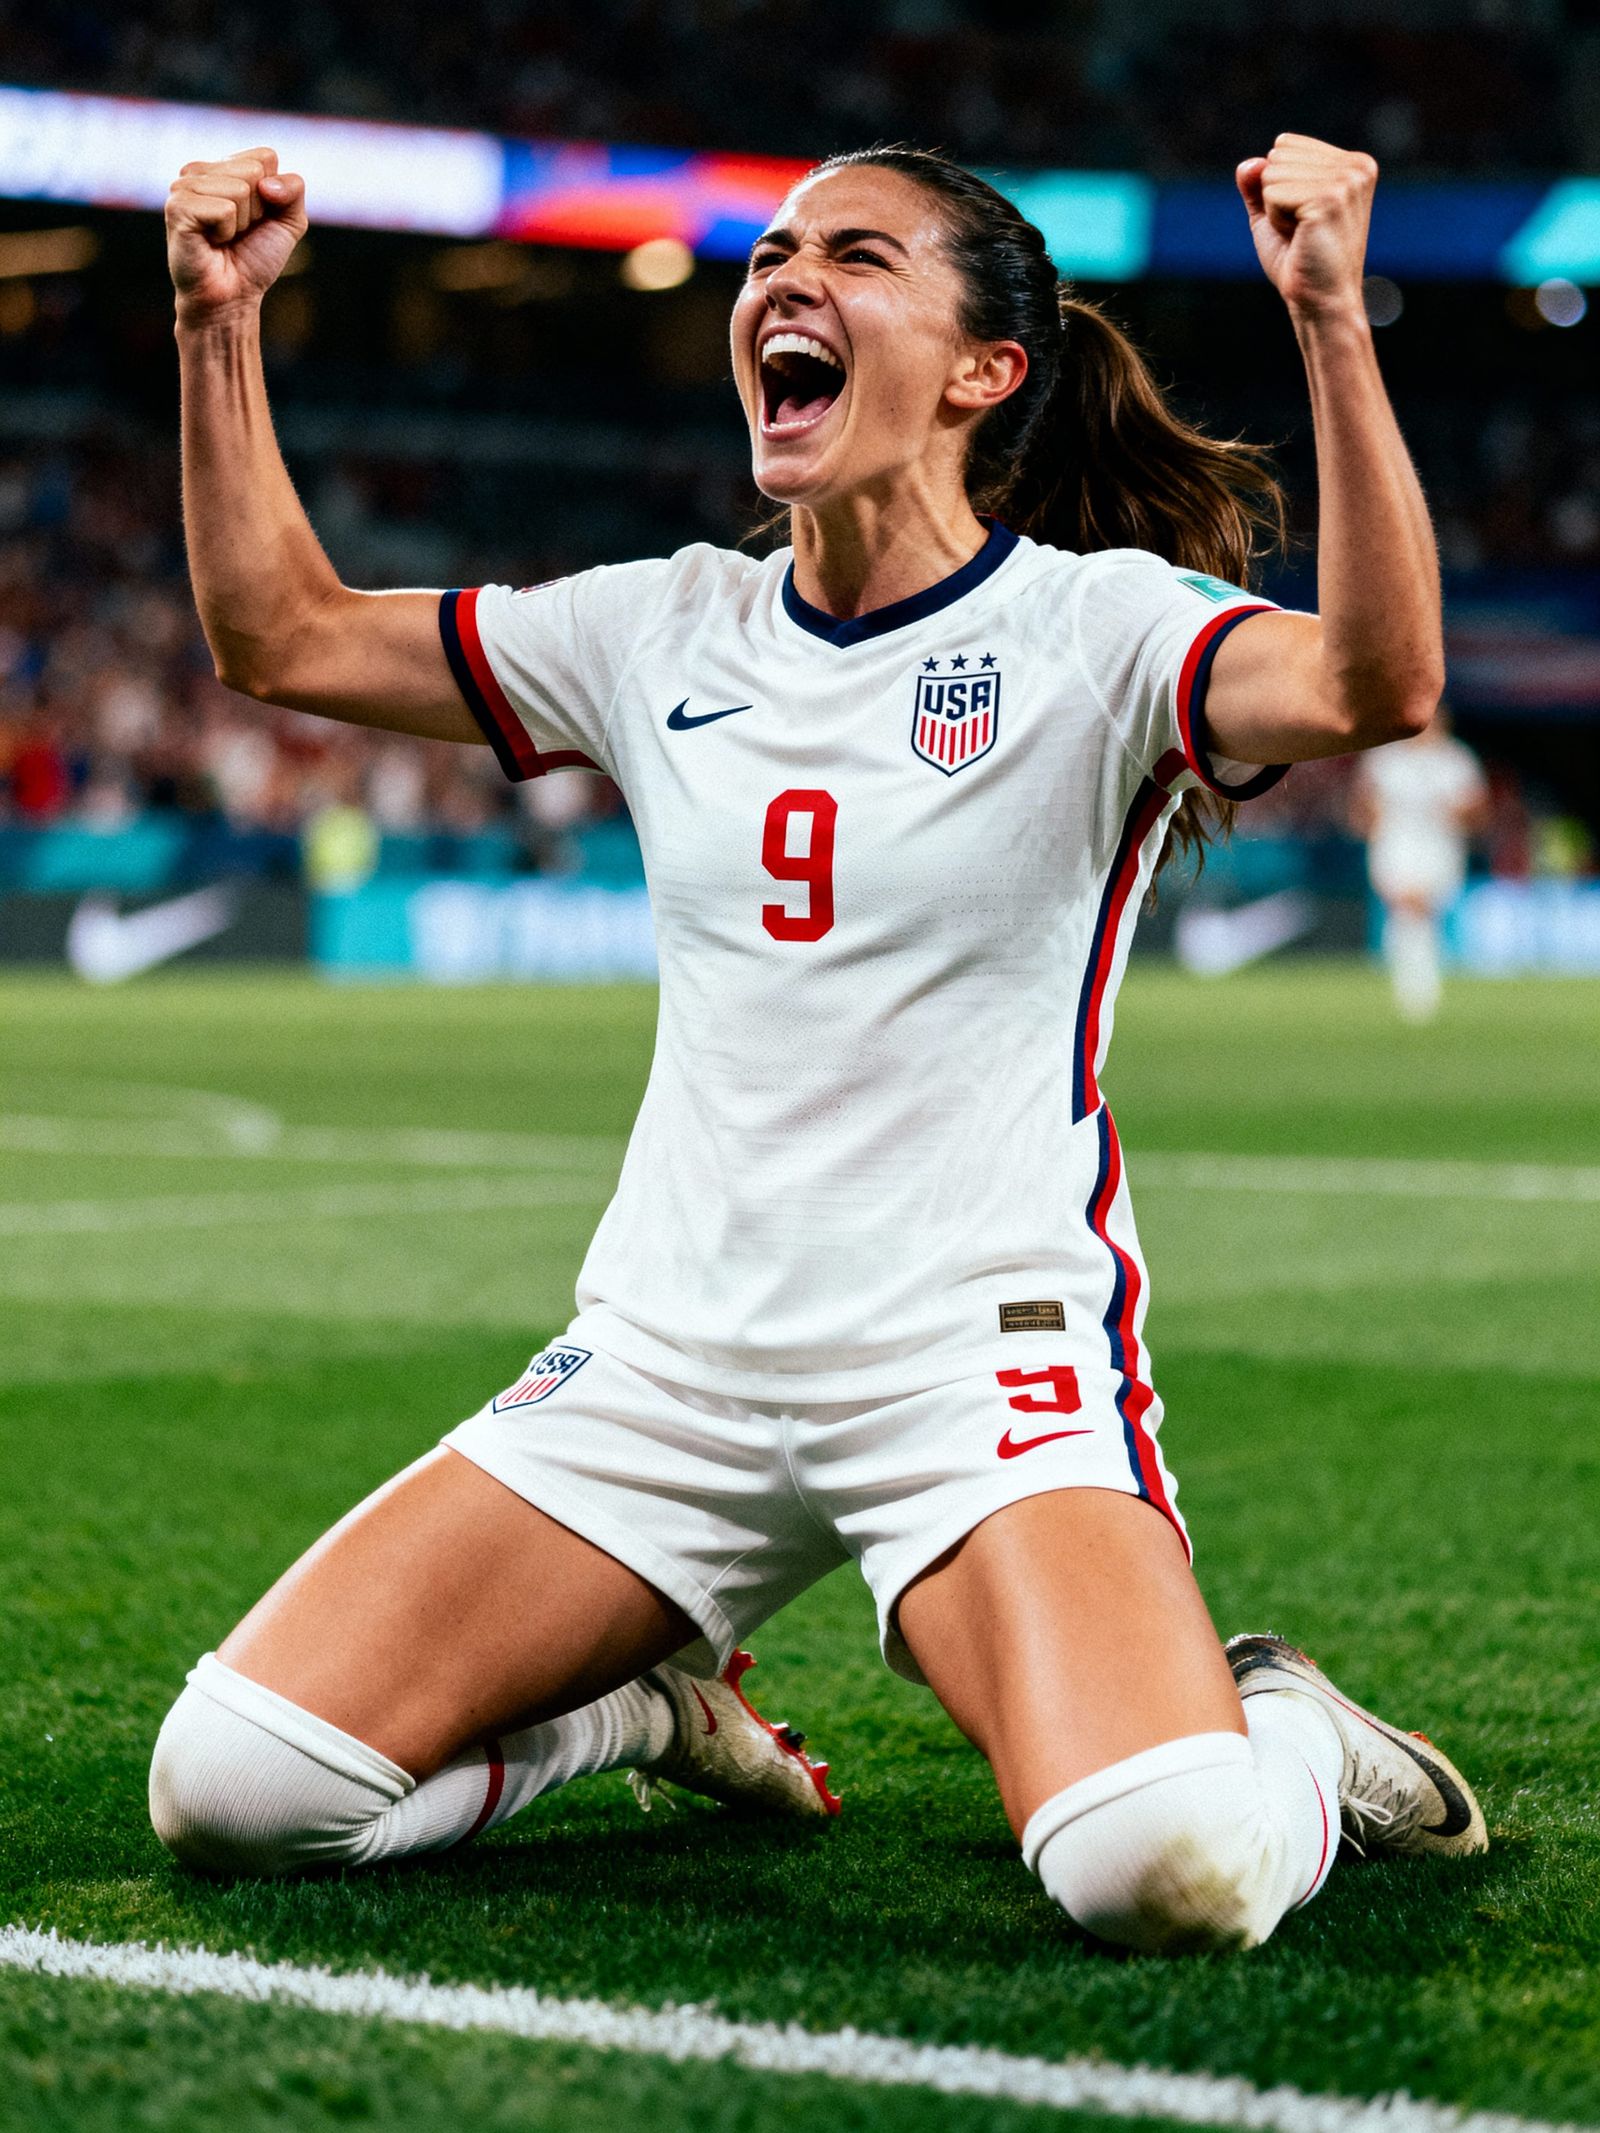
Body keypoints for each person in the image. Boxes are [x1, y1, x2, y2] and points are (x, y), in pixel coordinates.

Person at [148, 132, 1487, 1954]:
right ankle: (636, 1710)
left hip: (971, 1372)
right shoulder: (659, 625)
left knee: (1163, 1869)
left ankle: (1295, 1737)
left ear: (985, 368)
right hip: (667, 1363)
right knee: (237, 1790)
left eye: (857, 255)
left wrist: (1330, 316)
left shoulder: (1098, 629)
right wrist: (215, 322)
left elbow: (1376, 684)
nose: (785, 279)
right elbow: (281, 635)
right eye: (772, 252)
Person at [1352, 706, 1489, 1022]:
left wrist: (1454, 812)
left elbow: (1478, 812)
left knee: (1422, 913)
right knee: (1406, 909)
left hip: (1439, 846)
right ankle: (1415, 988)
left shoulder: (1455, 760)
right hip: (1396, 845)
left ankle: (1417, 984)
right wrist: (1373, 821)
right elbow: (1362, 807)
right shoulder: (1386, 758)